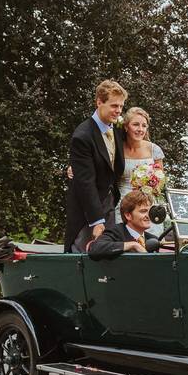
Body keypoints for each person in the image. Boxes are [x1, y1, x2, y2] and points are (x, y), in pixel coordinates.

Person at [68, 106, 167, 235]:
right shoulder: (116, 148)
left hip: (148, 204)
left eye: (144, 125)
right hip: (122, 204)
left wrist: (151, 183)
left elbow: (160, 180)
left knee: (152, 241)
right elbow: (99, 163)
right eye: (136, 124)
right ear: (126, 126)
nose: (140, 129)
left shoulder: (154, 150)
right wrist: (76, 166)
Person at [64, 80, 126, 253]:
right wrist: (97, 221)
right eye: (114, 105)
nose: (119, 111)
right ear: (99, 102)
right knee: (84, 256)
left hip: (110, 203)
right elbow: (85, 182)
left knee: (108, 255)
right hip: (87, 210)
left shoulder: (117, 129)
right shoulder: (82, 136)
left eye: (121, 106)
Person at [88, 190, 160, 260]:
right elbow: (95, 249)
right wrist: (133, 245)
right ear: (128, 215)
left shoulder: (153, 239)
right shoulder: (115, 232)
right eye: (143, 211)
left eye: (150, 211)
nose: (148, 215)